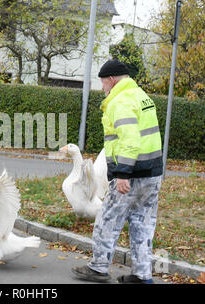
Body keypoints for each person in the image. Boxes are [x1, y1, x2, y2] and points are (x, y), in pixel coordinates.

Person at [71, 59, 163, 284]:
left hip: (131, 175)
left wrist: (122, 174)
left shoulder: (120, 101)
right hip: (153, 174)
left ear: (111, 80)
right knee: (143, 224)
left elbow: (129, 140)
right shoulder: (141, 95)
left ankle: (99, 268)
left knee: (107, 220)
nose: (102, 88)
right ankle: (142, 276)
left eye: (102, 83)